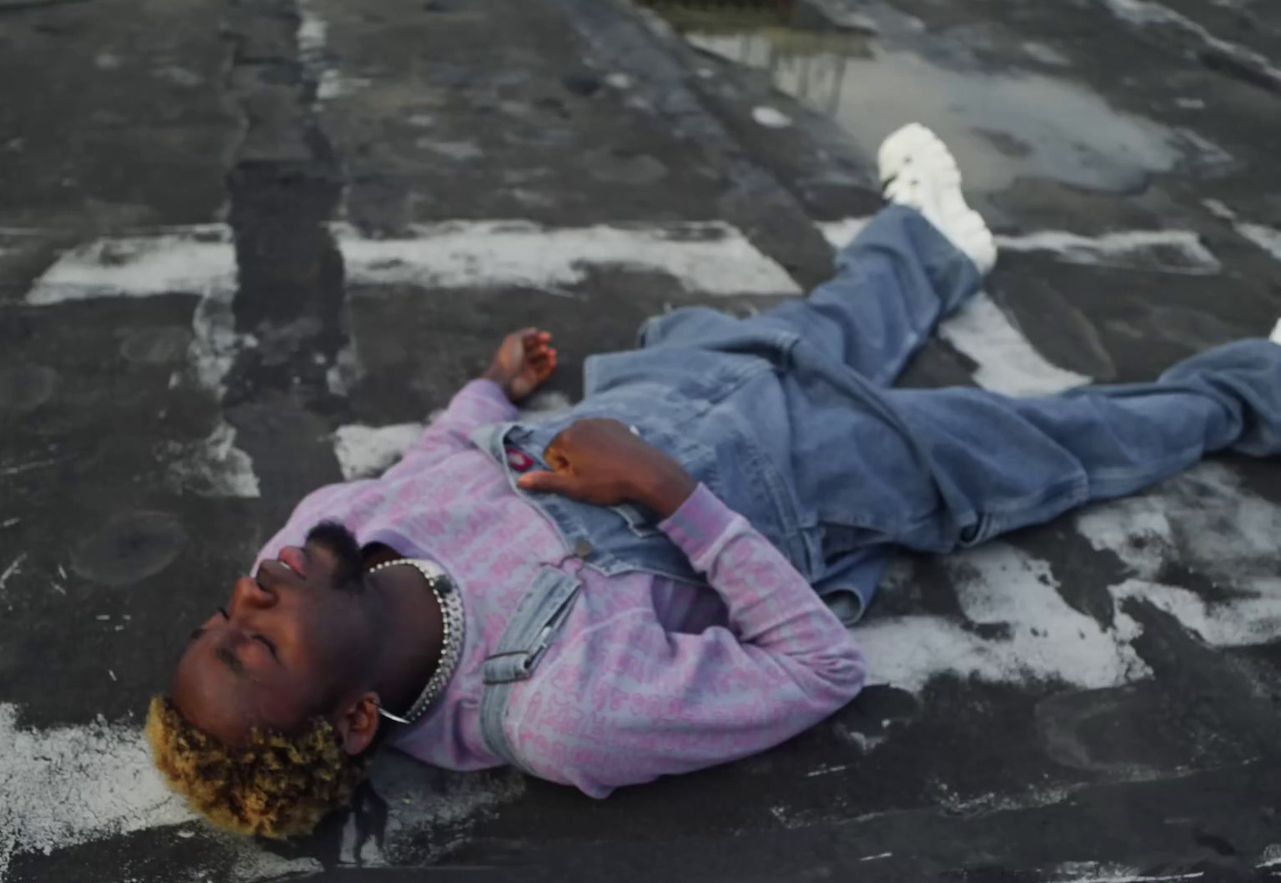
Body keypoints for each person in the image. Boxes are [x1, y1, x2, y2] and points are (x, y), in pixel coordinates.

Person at [144, 124, 1281, 838]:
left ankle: (930, 239)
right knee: (1065, 435)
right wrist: (666, 491)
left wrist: (491, 387)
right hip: (812, 485)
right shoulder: (565, 708)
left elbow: (438, 456)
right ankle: (1256, 384)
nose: (250, 593)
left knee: (823, 324)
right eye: (259, 641)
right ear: (352, 717)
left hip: (673, 389)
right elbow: (816, 667)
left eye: (221, 614)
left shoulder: (318, 535)